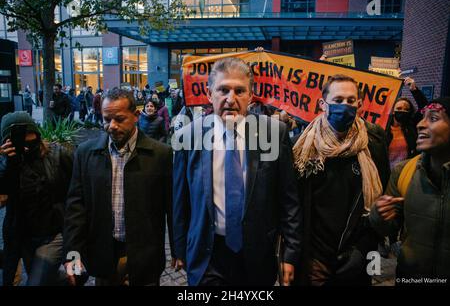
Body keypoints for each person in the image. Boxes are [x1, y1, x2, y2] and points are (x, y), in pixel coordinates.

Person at [172, 57, 301, 286]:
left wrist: (290, 254)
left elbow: (289, 200)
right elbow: (180, 200)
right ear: (209, 93)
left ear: (251, 96)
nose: (231, 99)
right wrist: (179, 249)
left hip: (258, 255)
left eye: (239, 91)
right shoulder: (188, 137)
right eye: (223, 90)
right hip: (206, 256)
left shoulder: (274, 134)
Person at [63, 88, 173, 286]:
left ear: (136, 116)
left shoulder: (161, 155)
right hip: (103, 259)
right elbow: (75, 211)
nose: (112, 126)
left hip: (146, 259)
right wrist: (72, 256)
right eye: (106, 119)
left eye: (120, 119)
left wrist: (178, 250)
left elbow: (172, 209)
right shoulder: (85, 153)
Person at [292, 74, 390, 286]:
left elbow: (381, 203)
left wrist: (363, 249)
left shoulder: (373, 144)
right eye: (337, 101)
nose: (344, 106)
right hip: (314, 258)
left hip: (355, 253)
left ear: (360, 104)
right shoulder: (303, 147)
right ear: (323, 104)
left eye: (350, 101)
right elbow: (293, 205)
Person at [370, 97, 450, 283]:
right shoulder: (404, 172)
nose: (421, 125)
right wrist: (378, 213)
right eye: (422, 118)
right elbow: (388, 227)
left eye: (433, 118)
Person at [0, 111, 73, 285]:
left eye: (28, 134)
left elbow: (79, 193)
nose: (24, 140)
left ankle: (74, 274)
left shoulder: (57, 154)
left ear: (36, 133)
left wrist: (76, 249)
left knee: (37, 282)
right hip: (25, 238)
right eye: (16, 137)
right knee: (45, 278)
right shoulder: (7, 164)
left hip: (56, 234)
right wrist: (6, 164)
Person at [386, 77, 429, 169]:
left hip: (405, 173)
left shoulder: (412, 126)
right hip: (385, 175)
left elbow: (424, 107)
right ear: (393, 111)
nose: (402, 111)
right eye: (399, 109)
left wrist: (414, 90)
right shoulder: (383, 128)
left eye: (406, 109)